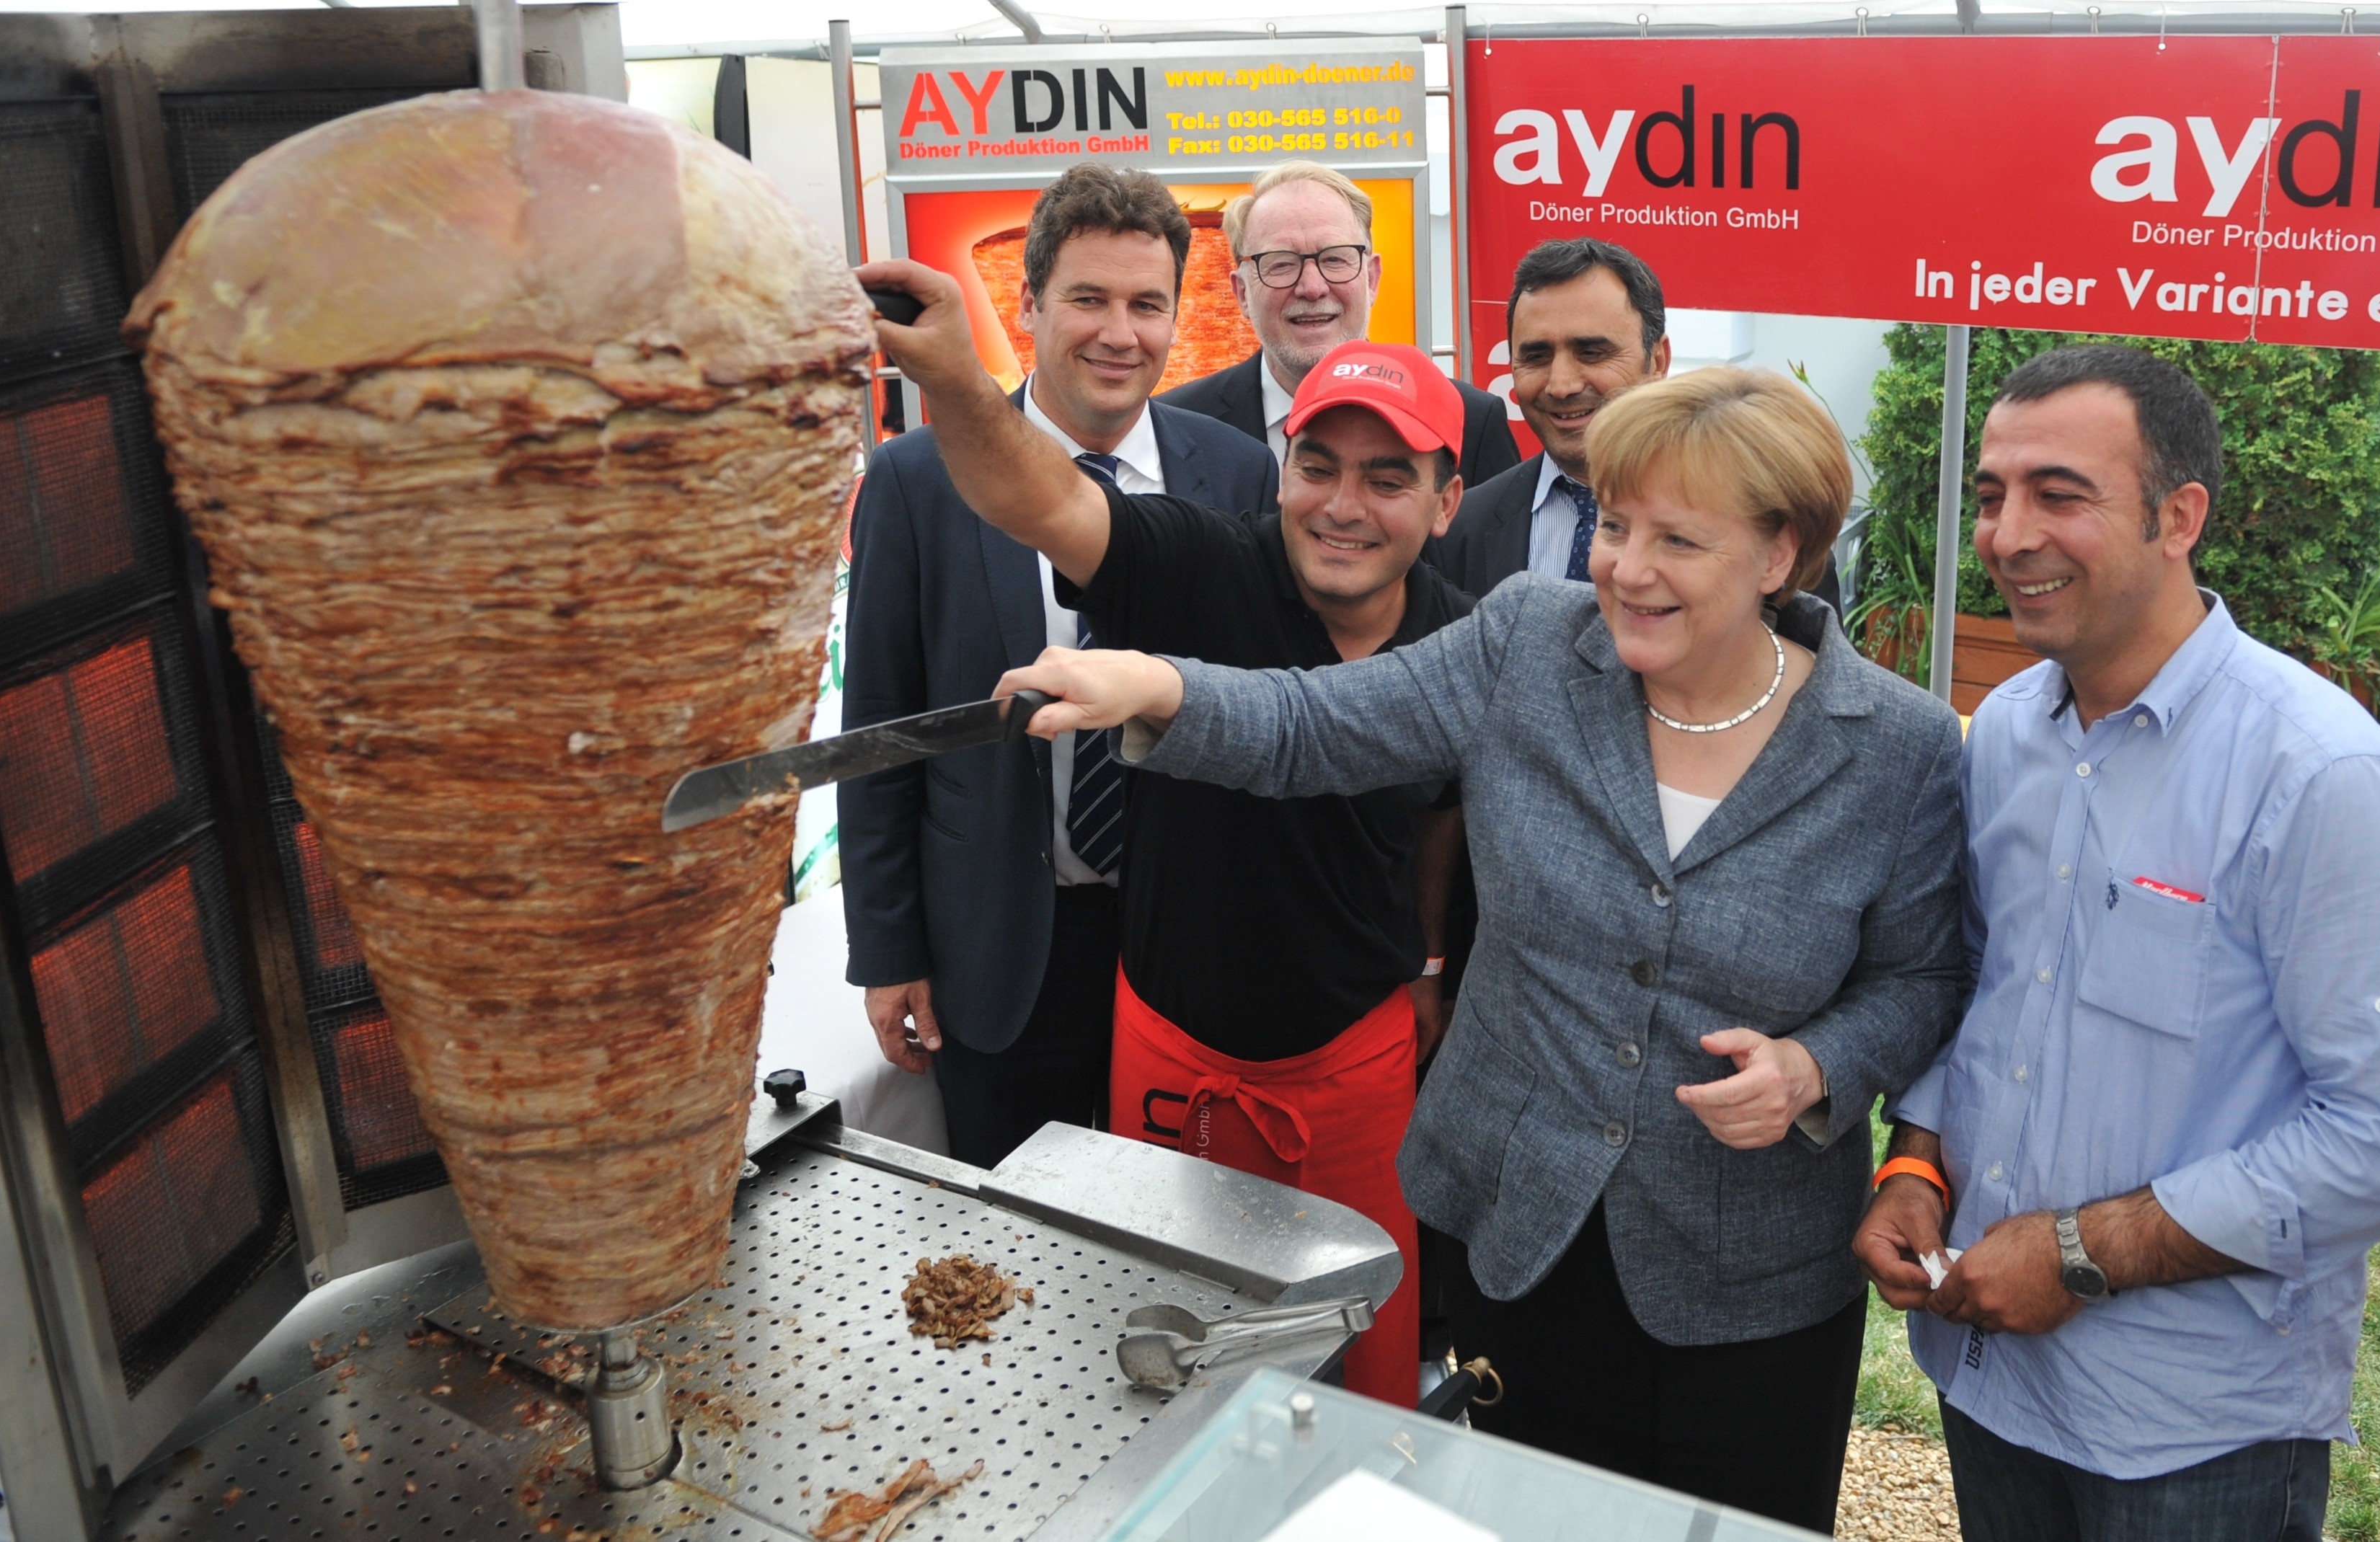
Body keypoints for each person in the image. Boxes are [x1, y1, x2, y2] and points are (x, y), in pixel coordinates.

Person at [999, 366, 1970, 1532]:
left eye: (1677, 538)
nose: (1623, 565)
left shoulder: (1895, 749)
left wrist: (1813, 1068)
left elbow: (1921, 975)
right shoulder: (1527, 641)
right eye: (1613, 523)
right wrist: (1150, 681)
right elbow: (1317, 724)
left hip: (1752, 1279)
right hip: (1521, 1230)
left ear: (1777, 555)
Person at [1854, 345, 2380, 1542]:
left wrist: (2079, 1251)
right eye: (1989, 493)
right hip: (1988, 1373)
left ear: (2177, 515)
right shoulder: (2007, 736)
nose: (2005, 532)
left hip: (2194, 1425)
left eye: (2057, 493)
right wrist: (1914, 1161)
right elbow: (1980, 986)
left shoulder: (2315, 774)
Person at [857, 253, 1474, 1409]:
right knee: (1168, 1368)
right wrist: (953, 379)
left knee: (1358, 1372)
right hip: (1172, 1057)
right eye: (1318, 465)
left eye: (1387, 477)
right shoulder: (1203, 563)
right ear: (1281, 469)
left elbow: (1439, 816)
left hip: (1355, 1067)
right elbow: (1041, 501)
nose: (1342, 505)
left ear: (1445, 503)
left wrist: (1431, 957)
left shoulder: (1463, 641)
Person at [837, 165, 1278, 1169]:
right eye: (1087, 299)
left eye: (1145, 303)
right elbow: (879, 729)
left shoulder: (1237, 474)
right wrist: (888, 949)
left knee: (1171, 1236)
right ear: (1027, 304)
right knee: (1007, 1248)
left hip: (1178, 946)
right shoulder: (918, 476)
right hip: (993, 947)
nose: (1118, 333)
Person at [1435, 238, 1840, 607]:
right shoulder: (1460, 528)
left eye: (1592, 352)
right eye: (1536, 356)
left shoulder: (1759, 522)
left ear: (1658, 361)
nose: (1561, 384)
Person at [1157, 160, 1521, 487]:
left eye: (1335, 259)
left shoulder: (1470, 422)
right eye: (1281, 263)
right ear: (1241, 293)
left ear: (1372, 278)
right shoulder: (1175, 427)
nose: (1312, 288)